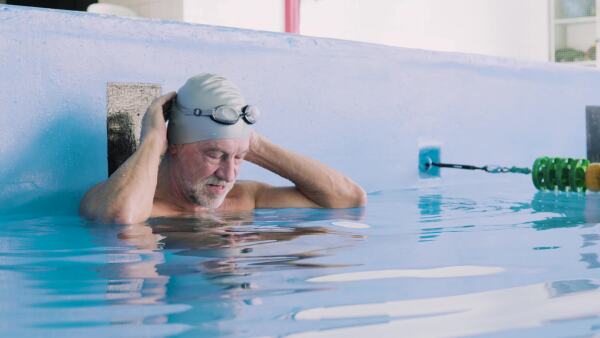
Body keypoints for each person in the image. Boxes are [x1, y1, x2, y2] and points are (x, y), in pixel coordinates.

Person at [80, 73, 366, 224]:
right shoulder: (113, 199)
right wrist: (154, 140)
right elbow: (120, 217)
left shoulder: (245, 199)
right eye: (215, 154)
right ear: (175, 145)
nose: (230, 175)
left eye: (239, 158)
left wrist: (252, 144)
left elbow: (348, 199)